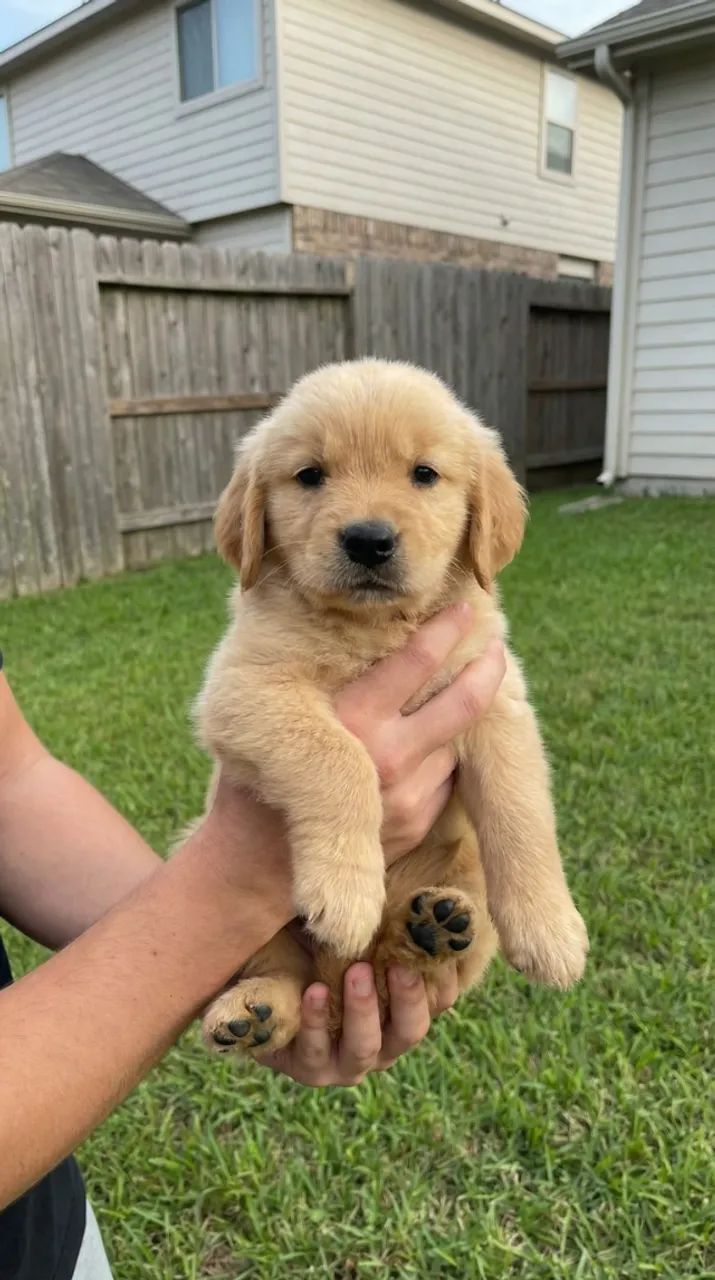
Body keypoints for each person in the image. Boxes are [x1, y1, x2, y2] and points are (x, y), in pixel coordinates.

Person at [0, 604, 505, 1279]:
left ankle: (323, 971)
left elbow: (10, 782)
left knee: (438, 899)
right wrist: (236, 888)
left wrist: (230, 951)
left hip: (45, 1231)